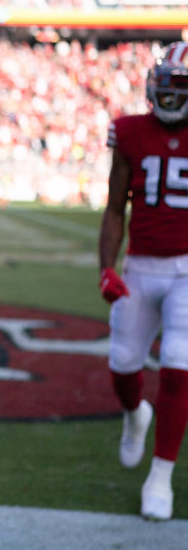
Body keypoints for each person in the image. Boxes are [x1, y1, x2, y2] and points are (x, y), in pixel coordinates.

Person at [98, 41, 188, 522]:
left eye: (181, 86)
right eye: (166, 84)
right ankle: (136, 414)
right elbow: (116, 206)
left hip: (187, 270)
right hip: (140, 264)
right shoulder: (129, 131)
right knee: (123, 366)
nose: (170, 95)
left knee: (178, 363)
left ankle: (160, 476)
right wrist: (106, 267)